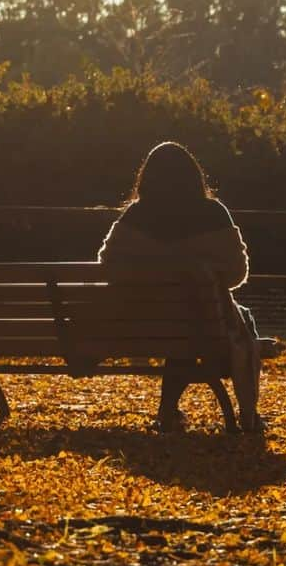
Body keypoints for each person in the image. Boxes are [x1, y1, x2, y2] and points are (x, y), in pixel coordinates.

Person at [97, 140, 264, 433]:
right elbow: (237, 273)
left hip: (144, 324)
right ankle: (247, 413)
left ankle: (167, 411)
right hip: (204, 323)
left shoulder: (136, 216)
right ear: (194, 176)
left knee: (180, 327)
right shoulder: (213, 213)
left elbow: (107, 264)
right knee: (222, 321)